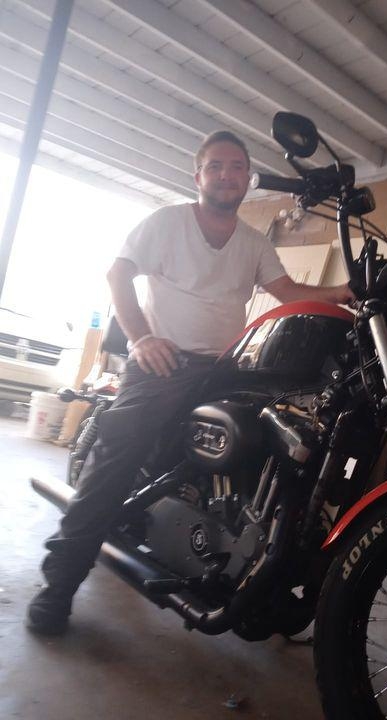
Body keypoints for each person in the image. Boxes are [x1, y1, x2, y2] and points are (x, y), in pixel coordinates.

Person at [27, 130, 355, 635]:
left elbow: (289, 292)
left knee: (257, 443)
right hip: (163, 364)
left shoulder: (253, 242)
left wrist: (347, 292)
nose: (227, 175)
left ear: (248, 177)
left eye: (237, 167)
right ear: (198, 175)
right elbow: (118, 275)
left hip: (223, 369)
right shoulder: (167, 223)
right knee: (118, 456)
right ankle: (58, 586)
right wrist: (141, 339)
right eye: (216, 166)